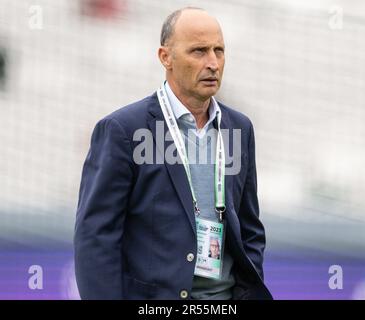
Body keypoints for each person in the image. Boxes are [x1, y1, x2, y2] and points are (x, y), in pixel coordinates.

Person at [74, 7, 272, 300]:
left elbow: (249, 229)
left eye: (219, 50)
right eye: (199, 51)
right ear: (165, 57)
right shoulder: (123, 129)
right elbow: (96, 237)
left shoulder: (239, 128)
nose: (213, 63)